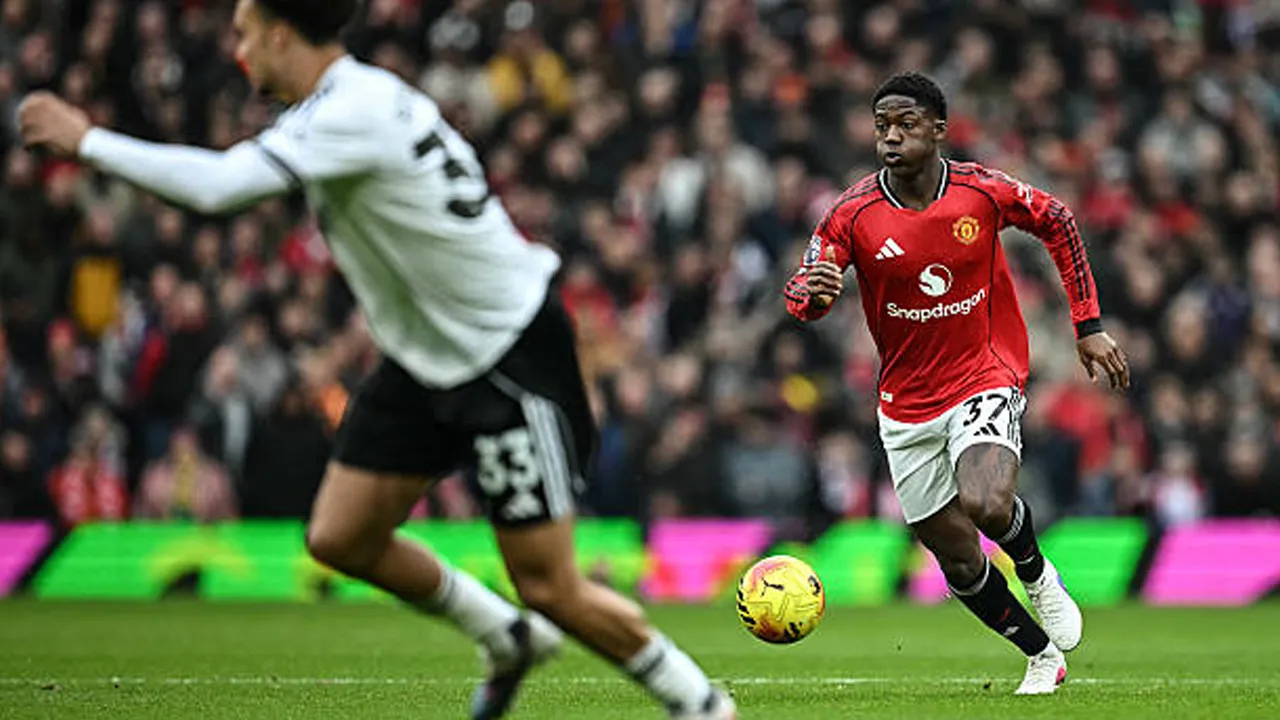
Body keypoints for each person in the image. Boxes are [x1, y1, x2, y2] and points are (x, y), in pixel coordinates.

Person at [17, 2, 734, 718]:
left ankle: (700, 703)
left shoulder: (350, 114)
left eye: (241, 33)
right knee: (340, 535)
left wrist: (88, 141)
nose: (236, 52)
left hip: (505, 355)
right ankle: (507, 635)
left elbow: (219, 189)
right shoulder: (352, 101)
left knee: (550, 584)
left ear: (277, 31)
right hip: (426, 357)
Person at [785, 73, 1130, 695]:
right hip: (905, 402)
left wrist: (1088, 325)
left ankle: (1037, 573)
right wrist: (812, 296)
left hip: (985, 371)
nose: (892, 136)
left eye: (907, 124)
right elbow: (802, 292)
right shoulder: (851, 214)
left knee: (988, 503)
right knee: (959, 559)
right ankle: (1041, 655)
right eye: (882, 125)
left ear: (939, 130)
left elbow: (1059, 220)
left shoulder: (981, 191)